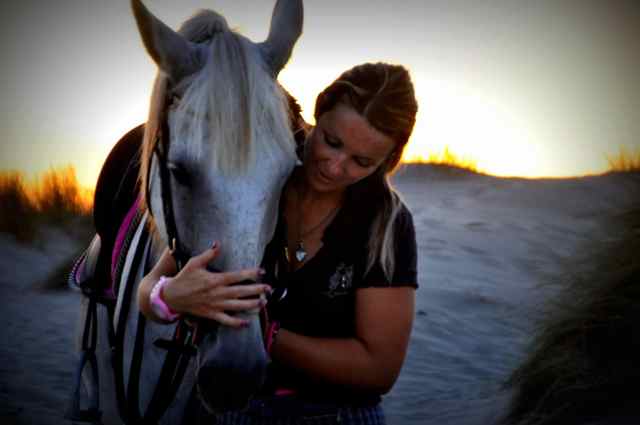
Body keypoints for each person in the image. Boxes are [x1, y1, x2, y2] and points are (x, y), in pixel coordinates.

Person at [138, 62, 419, 424]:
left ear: (388, 162)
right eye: (331, 141)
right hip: (233, 409)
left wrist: (264, 333)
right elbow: (148, 290)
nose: (334, 167)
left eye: (361, 162)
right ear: (318, 112)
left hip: (339, 415)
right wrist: (170, 297)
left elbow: (379, 369)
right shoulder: (258, 176)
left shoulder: (387, 226)